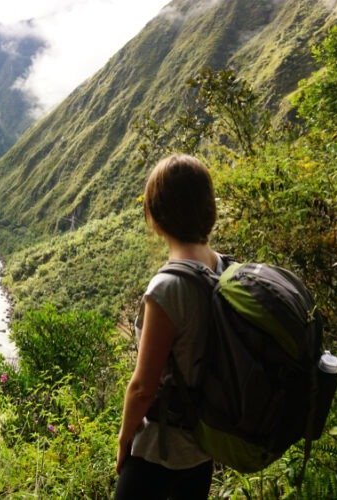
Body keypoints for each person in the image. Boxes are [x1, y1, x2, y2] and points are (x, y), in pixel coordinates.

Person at [115, 154, 220, 499]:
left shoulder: (168, 287)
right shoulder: (219, 265)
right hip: (203, 448)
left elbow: (144, 387)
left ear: (157, 214)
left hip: (160, 453)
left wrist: (124, 438)